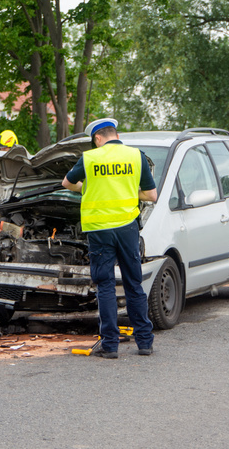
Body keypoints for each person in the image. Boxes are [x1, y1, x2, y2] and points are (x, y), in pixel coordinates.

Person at [61, 118, 156, 359]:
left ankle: (110, 345)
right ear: (115, 134)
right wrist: (125, 188)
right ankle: (144, 342)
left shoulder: (90, 158)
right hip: (127, 227)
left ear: (97, 138)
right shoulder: (136, 156)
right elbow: (152, 195)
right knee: (134, 283)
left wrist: (91, 187)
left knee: (105, 286)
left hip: (99, 228)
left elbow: (66, 183)